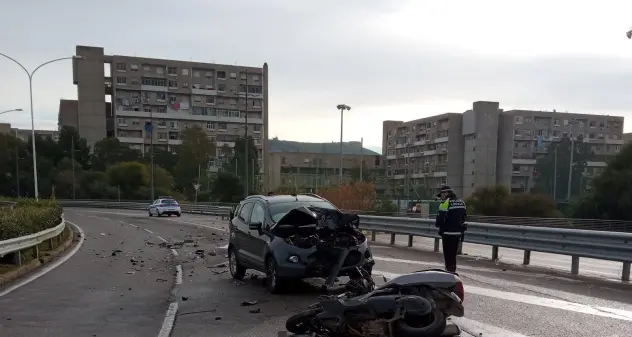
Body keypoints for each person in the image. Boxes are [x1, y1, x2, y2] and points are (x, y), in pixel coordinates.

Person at [434, 185, 467, 272]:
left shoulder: (445, 203)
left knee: (448, 255)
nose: (441, 197)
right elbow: (464, 218)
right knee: (453, 255)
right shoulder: (461, 202)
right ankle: (453, 270)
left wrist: (438, 225)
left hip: (447, 233)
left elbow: (440, 221)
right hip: (457, 234)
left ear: (446, 193)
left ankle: (449, 273)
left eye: (441, 195)